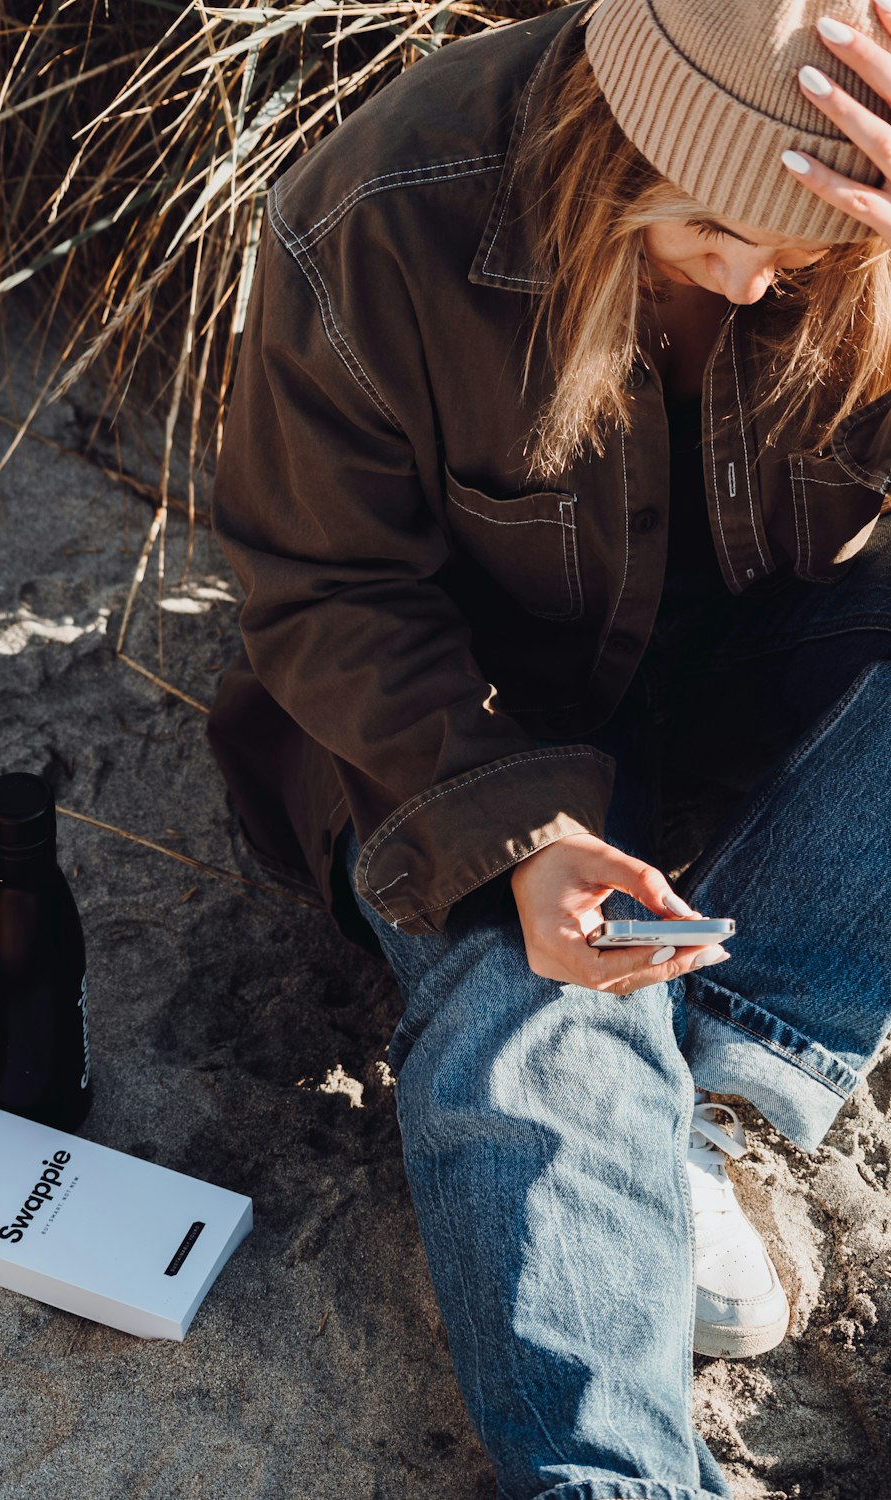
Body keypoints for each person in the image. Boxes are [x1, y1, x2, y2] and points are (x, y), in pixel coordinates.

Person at [208, 1, 891, 1495]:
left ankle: (732, 1095)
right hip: (456, 731)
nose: (759, 274)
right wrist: (515, 832)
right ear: (614, 139)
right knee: (545, 996)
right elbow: (320, 587)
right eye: (709, 226)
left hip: (741, 695)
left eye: (813, 252)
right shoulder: (384, 214)